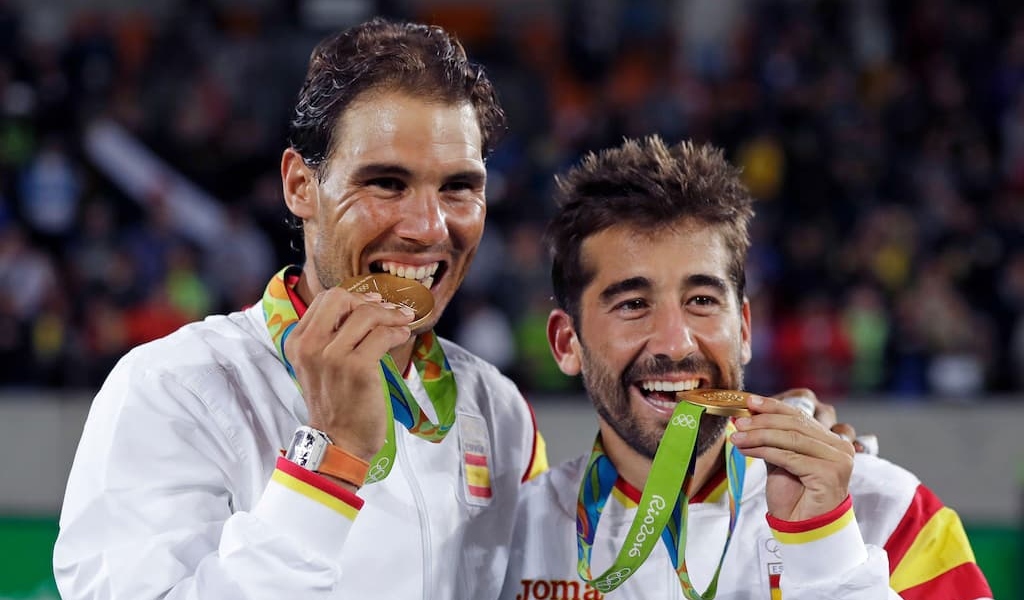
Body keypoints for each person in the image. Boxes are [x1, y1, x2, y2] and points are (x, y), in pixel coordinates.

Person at [53, 18, 548, 599]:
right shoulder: (173, 390)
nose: (428, 228)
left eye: (459, 187)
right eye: (387, 183)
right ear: (299, 186)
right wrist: (329, 459)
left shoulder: (497, 410)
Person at [500, 136, 992, 599]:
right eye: (632, 304)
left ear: (745, 329)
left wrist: (825, 548)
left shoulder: (891, 511)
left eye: (701, 300)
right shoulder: (508, 541)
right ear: (568, 343)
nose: (675, 343)